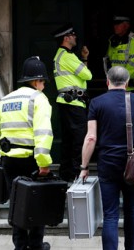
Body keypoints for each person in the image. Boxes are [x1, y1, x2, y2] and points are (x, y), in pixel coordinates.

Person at [79, 66, 134, 250]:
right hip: (133, 165)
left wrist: (84, 166)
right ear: (127, 82)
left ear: (107, 81)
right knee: (131, 209)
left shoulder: (96, 103)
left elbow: (91, 138)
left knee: (111, 215)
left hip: (107, 164)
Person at [0, 56, 54, 250]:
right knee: (36, 202)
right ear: (36, 81)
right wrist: (43, 162)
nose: (43, 86)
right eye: (43, 82)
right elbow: (43, 133)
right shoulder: (38, 99)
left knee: (17, 203)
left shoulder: (6, 99)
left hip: (9, 160)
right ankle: (36, 245)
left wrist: (1, 151)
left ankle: (20, 245)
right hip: (31, 160)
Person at [52, 25, 92, 181]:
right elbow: (88, 75)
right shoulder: (67, 56)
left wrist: (84, 59)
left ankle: (66, 174)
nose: (75, 37)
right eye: (73, 35)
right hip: (73, 104)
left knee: (68, 141)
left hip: (68, 103)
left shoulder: (62, 55)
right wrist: (84, 61)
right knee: (78, 140)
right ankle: (76, 174)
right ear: (66, 38)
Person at [106, 16, 134, 93]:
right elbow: (109, 61)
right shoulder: (113, 40)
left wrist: (117, 81)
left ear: (126, 25)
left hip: (132, 88)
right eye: (114, 24)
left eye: (118, 24)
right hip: (115, 87)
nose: (115, 27)